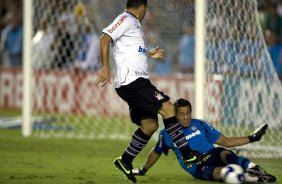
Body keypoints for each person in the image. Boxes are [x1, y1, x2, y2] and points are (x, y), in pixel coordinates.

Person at [95, 0, 210, 183]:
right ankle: (187, 153)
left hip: (134, 83)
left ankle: (125, 161)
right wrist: (106, 67)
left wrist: (148, 53)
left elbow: (129, 51)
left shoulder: (134, 26)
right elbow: (104, 37)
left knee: (150, 126)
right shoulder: (125, 19)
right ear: (143, 7)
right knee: (168, 108)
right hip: (133, 82)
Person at [132, 98, 276, 183]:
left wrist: (252, 138)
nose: (185, 117)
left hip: (213, 154)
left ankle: (254, 169)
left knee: (224, 153)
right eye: (181, 114)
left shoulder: (200, 124)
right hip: (198, 167)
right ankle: (253, 179)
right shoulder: (167, 133)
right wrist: (144, 169)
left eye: (188, 113)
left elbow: (225, 141)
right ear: (174, 115)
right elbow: (156, 152)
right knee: (221, 173)